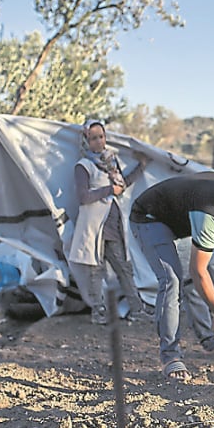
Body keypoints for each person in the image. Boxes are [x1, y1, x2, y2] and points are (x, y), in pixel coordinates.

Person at [129, 170, 214, 381]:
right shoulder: (209, 213)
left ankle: (210, 341)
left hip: (181, 219)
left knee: (192, 282)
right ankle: (170, 356)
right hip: (149, 216)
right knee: (171, 280)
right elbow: (199, 271)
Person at [68, 119, 148, 325]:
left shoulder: (110, 162)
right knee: (95, 270)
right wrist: (109, 190)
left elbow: (122, 184)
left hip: (112, 225)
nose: (98, 142)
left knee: (123, 267)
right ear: (86, 140)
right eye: (93, 138)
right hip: (94, 227)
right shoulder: (83, 166)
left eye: (101, 137)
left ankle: (137, 309)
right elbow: (83, 197)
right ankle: (98, 312)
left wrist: (141, 166)